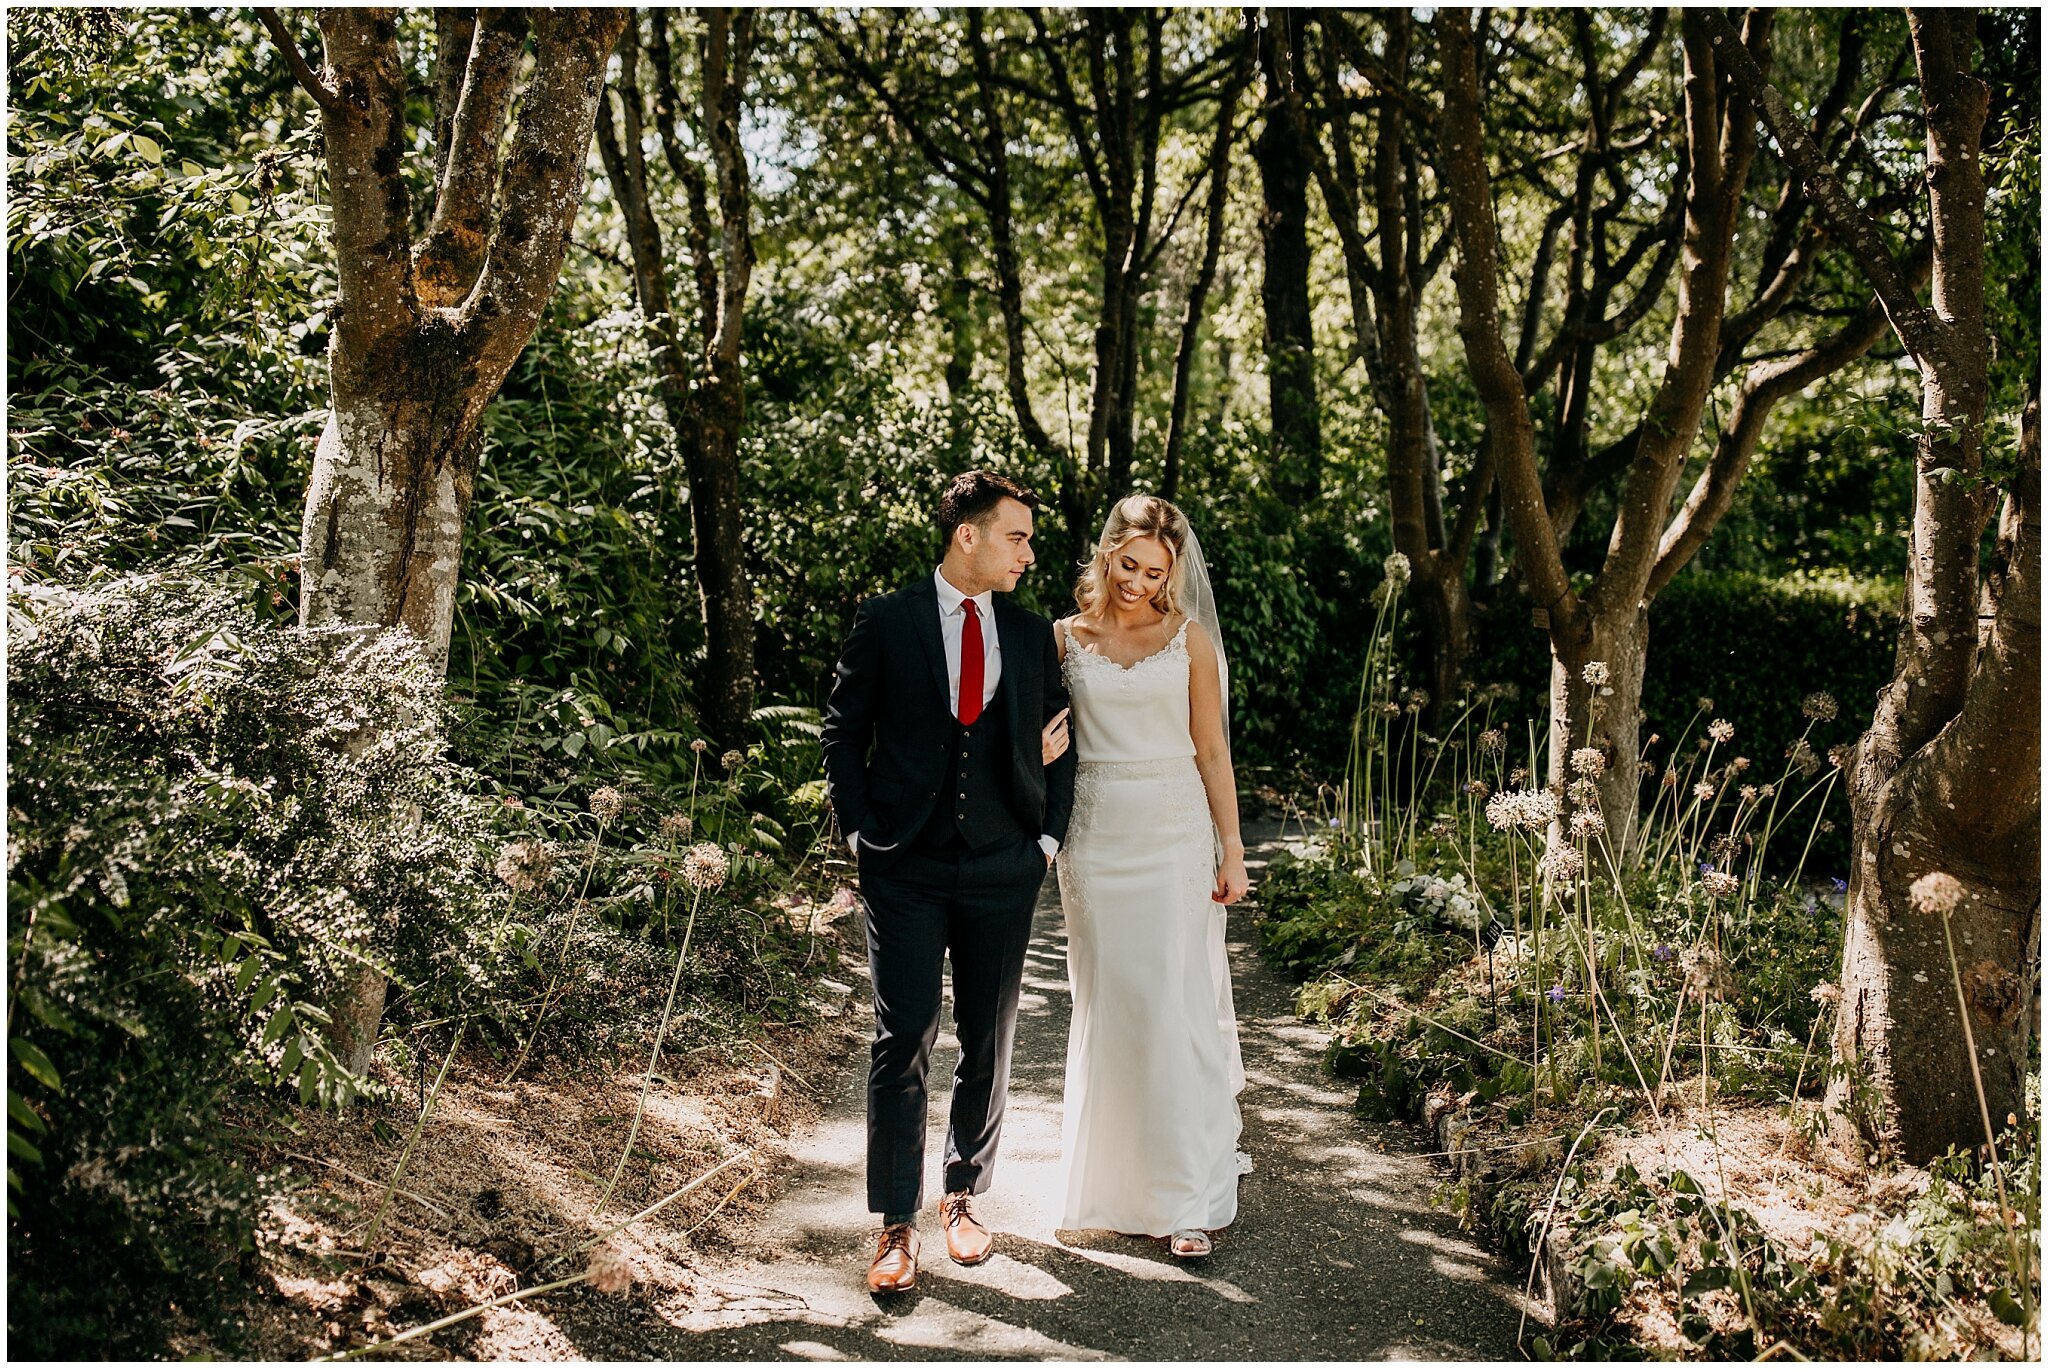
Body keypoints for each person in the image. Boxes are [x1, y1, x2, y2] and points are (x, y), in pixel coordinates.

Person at [821, 470, 1079, 1295]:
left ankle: (960, 1196)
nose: (1029, 554)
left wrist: (1043, 839)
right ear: (967, 534)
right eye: (1017, 536)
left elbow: (1059, 741)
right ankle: (896, 1222)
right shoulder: (887, 620)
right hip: (905, 862)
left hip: (1003, 863)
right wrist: (862, 833)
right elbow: (843, 730)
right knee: (903, 1039)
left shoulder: (1032, 632)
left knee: (989, 1036)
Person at [1043, 493, 1250, 1259]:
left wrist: (1232, 847)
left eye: (1155, 570)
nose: (1138, 581)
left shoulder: (1187, 639)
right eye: (1128, 563)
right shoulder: (1062, 640)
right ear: (1107, 554)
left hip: (1173, 836)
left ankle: (1186, 1197)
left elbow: (1212, 751)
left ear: (1174, 571)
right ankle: (1108, 1184)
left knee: (1172, 1000)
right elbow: (1036, 738)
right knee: (1110, 1002)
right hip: (1095, 839)